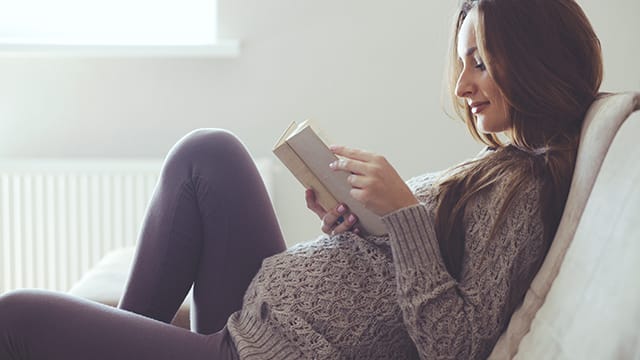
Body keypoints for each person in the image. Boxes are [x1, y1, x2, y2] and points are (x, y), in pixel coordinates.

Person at [0, 0, 603, 358]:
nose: (462, 86)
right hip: (269, 319)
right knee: (207, 157)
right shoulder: (504, 166)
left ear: (532, 60)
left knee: (16, 317)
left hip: (273, 352)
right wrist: (356, 227)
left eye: (481, 62)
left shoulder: (527, 194)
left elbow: (457, 344)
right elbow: (418, 267)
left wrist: (405, 217)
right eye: (463, 62)